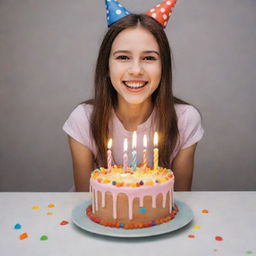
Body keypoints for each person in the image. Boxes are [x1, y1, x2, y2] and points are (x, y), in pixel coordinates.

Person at [63, 0, 204, 192]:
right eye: (123, 57)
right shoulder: (83, 119)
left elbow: (181, 200)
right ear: (107, 64)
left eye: (149, 58)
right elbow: (84, 200)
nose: (136, 70)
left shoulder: (185, 120)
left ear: (164, 66)